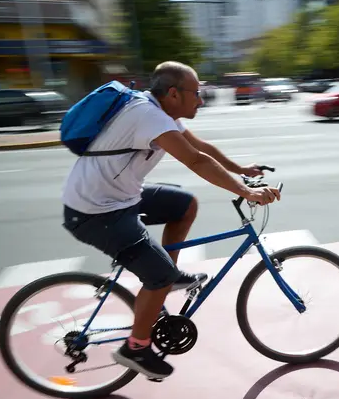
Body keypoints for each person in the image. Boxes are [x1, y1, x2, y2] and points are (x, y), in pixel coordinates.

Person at [61, 61, 280, 380]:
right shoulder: (148, 116)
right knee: (158, 276)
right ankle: (136, 347)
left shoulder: (159, 111)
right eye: (197, 93)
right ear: (174, 93)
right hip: (95, 211)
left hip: (119, 197)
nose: (201, 100)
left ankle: (166, 277)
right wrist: (246, 192)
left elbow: (200, 147)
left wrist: (241, 170)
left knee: (184, 205)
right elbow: (195, 160)